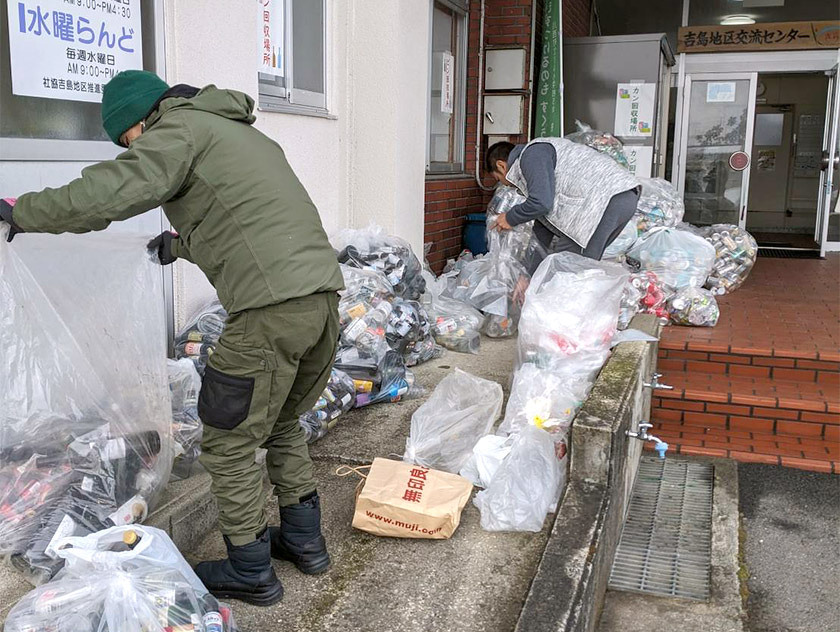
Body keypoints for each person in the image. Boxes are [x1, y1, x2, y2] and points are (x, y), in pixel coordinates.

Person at [0, 70, 345, 607]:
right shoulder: (235, 132)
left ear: (140, 120)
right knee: (281, 424)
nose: (132, 150)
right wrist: (179, 247)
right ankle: (305, 541)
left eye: (127, 141)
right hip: (321, 303)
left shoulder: (176, 132)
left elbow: (110, 193)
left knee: (227, 442)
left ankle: (251, 570)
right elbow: (244, 224)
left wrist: (25, 212)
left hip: (268, 315)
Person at [485, 138, 641, 300]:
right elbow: (543, 229)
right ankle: (579, 318)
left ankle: (563, 322)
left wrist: (510, 218)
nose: (505, 185)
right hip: (620, 198)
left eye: (498, 179)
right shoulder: (535, 157)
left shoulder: (531, 155)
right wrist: (527, 275)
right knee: (580, 270)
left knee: (568, 274)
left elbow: (540, 203)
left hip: (602, 202)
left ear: (501, 166)